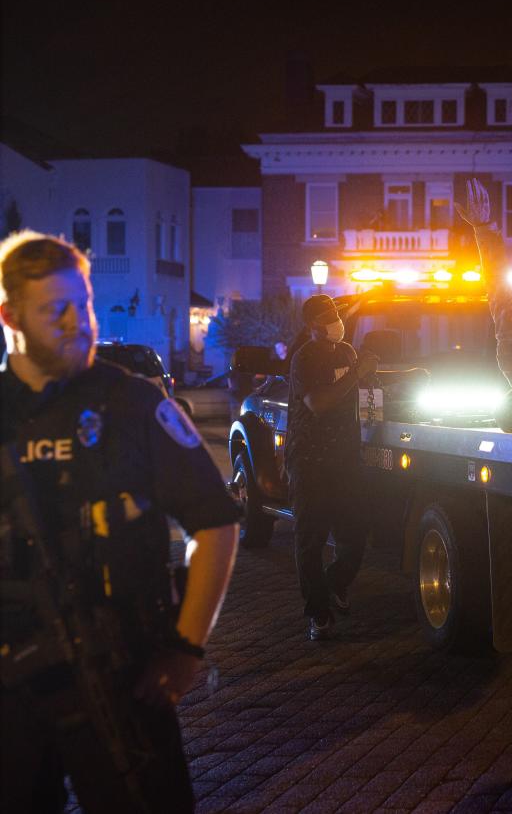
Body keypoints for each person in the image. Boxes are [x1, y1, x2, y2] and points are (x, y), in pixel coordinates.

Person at [0, 231, 238, 812]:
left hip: (120, 670)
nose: (74, 321)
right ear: (10, 316)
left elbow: (217, 525)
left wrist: (186, 649)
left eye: (80, 303)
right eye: (53, 309)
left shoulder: (131, 403)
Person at [286, 294, 378, 640]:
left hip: (345, 459)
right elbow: (318, 403)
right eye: (328, 317)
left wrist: (370, 380)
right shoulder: (304, 359)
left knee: (354, 535)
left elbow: (362, 393)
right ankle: (319, 614)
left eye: (337, 314)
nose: (336, 321)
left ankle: (334, 583)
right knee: (310, 539)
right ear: (313, 325)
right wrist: (358, 373)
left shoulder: (347, 353)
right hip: (309, 461)